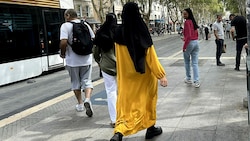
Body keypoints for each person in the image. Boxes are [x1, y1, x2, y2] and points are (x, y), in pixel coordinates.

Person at [110, 2, 168, 141]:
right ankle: (150, 128)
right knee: (147, 101)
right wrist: (161, 75)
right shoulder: (141, 30)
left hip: (126, 77)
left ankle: (119, 132)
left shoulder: (118, 32)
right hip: (144, 76)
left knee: (127, 105)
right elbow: (150, 56)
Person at [59, 9, 95, 117]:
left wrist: (63, 53)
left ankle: (80, 104)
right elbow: (93, 38)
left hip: (72, 60)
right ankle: (87, 99)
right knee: (87, 80)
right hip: (86, 59)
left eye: (65, 15)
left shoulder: (65, 26)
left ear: (68, 15)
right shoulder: (86, 25)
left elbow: (64, 41)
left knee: (75, 82)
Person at [93, 13, 117, 128]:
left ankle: (114, 119)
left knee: (111, 92)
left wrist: (99, 62)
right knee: (122, 92)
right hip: (121, 66)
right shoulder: (118, 31)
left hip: (107, 66)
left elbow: (96, 52)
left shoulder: (101, 32)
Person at [182, 8, 200, 88]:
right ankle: (196, 81)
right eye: (183, 14)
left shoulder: (187, 22)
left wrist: (185, 46)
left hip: (190, 43)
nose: (184, 15)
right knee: (195, 63)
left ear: (189, 14)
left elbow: (189, 35)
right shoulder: (193, 22)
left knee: (187, 61)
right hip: (196, 42)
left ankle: (188, 78)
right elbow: (195, 33)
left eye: (185, 14)